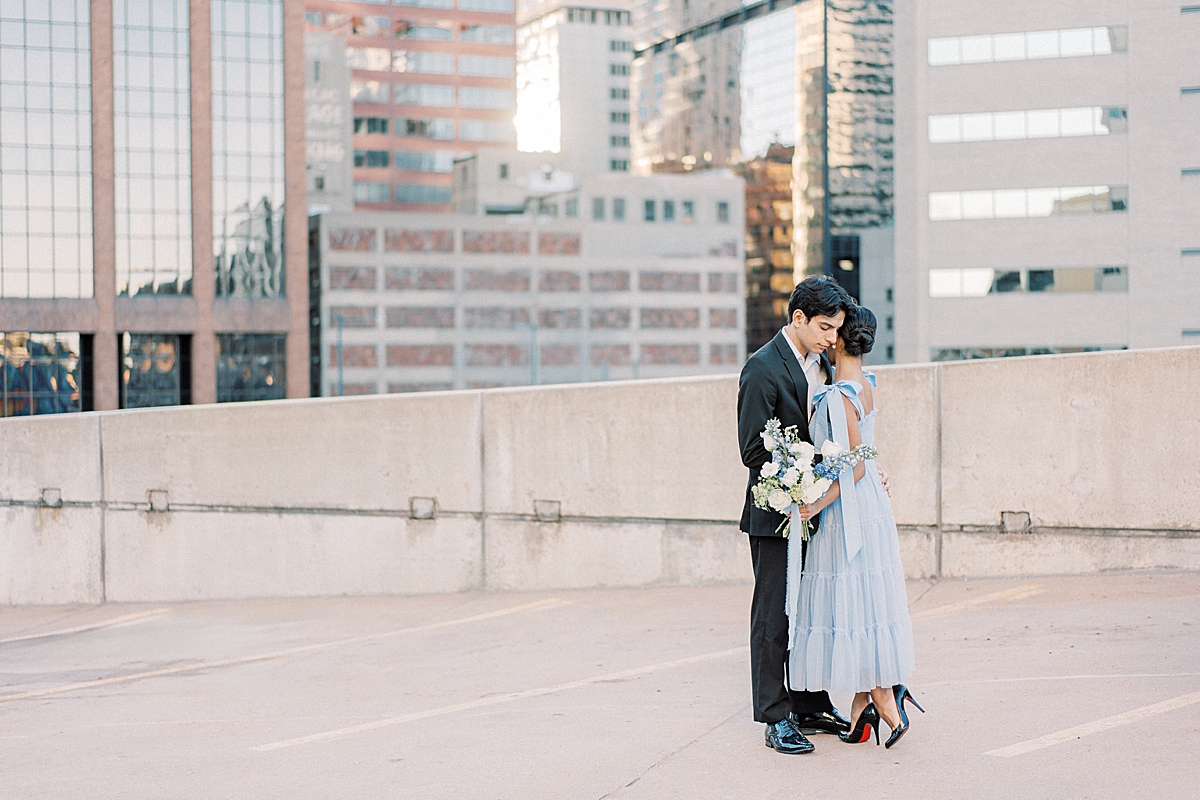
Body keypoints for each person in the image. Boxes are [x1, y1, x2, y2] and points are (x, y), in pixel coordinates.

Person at [790, 305, 921, 749]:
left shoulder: (835, 397)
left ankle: (884, 697)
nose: (827, 338)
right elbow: (864, 458)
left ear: (843, 341)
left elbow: (855, 468)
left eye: (834, 332)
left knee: (851, 600)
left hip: (848, 510)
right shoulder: (868, 386)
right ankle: (862, 708)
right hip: (870, 508)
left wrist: (814, 505)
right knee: (865, 600)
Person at [737, 276, 854, 754]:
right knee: (773, 615)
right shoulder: (761, 368)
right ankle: (774, 716)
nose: (832, 338)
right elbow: (752, 451)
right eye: (825, 327)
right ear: (798, 318)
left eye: (837, 329)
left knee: (810, 612)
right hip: (774, 514)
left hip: (816, 511)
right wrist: (797, 483)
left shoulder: (820, 364)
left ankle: (808, 703)